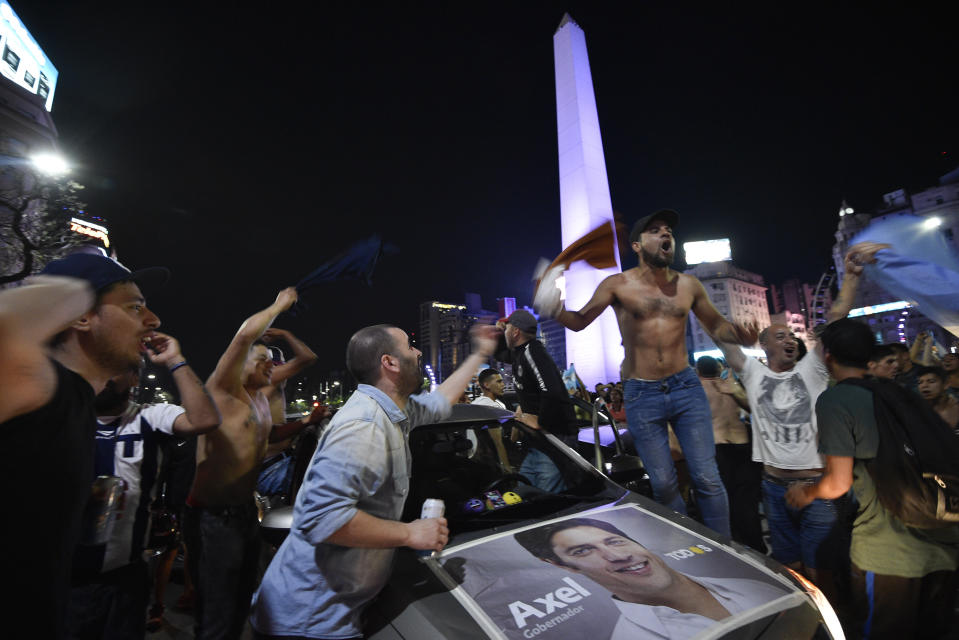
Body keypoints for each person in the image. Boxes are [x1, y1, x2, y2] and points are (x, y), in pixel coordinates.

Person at [250, 322, 498, 639]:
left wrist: (479, 354)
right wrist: (410, 533)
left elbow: (440, 403)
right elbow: (323, 517)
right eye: (410, 346)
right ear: (389, 362)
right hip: (309, 621)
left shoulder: (397, 410)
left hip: (339, 612)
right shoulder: (363, 425)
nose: (418, 351)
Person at [536, 209, 756, 536]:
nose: (665, 234)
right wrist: (554, 305)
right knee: (665, 483)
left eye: (668, 230)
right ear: (637, 245)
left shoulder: (689, 285)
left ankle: (724, 548)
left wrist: (738, 334)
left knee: (708, 478)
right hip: (641, 392)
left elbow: (717, 326)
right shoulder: (617, 284)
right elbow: (579, 322)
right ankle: (688, 545)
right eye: (655, 230)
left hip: (685, 387)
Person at [0, 253, 166, 639]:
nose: (153, 320)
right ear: (80, 316)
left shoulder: (75, 403)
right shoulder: (44, 387)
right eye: (135, 307)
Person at [717, 241, 886, 599]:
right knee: (791, 569)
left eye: (792, 335)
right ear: (764, 346)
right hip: (772, 489)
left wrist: (852, 278)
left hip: (818, 488)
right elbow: (723, 342)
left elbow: (836, 318)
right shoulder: (752, 374)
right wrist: (734, 335)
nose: (790, 339)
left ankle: (838, 625)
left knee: (822, 570)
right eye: (780, 336)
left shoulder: (812, 369)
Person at [786, 319, 959, 639]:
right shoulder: (898, 392)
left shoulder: (837, 400)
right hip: (944, 538)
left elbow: (838, 483)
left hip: (890, 551)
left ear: (828, 356)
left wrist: (805, 493)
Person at [68, 342, 221, 639]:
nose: (103, 378)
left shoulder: (150, 416)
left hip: (126, 575)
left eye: (113, 370)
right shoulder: (67, 419)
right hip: (66, 576)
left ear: (135, 378)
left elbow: (206, 420)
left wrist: (176, 360)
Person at [183, 287, 299, 640]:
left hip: (246, 513)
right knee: (217, 612)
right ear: (238, 365)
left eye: (271, 359)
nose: (270, 364)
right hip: (214, 518)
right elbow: (245, 335)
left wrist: (307, 424)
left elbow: (274, 434)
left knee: (242, 602)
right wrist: (280, 306)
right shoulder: (222, 391)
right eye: (260, 358)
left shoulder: (259, 401)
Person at [514, 517, 786, 640]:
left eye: (615, 541)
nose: (617, 556)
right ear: (565, 566)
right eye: (584, 551)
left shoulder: (753, 584)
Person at [496, 309, 576, 492]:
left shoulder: (533, 351)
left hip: (554, 437)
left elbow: (552, 390)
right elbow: (499, 353)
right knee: (524, 491)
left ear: (515, 331)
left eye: (507, 328)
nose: (505, 330)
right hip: (538, 441)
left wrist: (539, 420)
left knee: (548, 499)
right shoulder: (520, 353)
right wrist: (501, 331)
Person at [696, 356, 765, 553]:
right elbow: (754, 409)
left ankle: (730, 551)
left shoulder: (696, 390)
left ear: (698, 371)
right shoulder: (731, 386)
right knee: (747, 505)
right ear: (718, 369)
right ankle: (757, 550)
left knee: (721, 505)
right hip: (743, 447)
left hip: (717, 450)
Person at [256, 329, 321, 499]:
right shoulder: (262, 386)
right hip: (269, 471)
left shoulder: (274, 390)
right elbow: (308, 357)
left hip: (280, 462)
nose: (282, 373)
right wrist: (285, 334)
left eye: (281, 367)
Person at [917, 366, 959, 430]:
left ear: (946, 384)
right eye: (920, 382)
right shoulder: (918, 413)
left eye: (931, 381)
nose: (924, 385)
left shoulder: (956, 407)